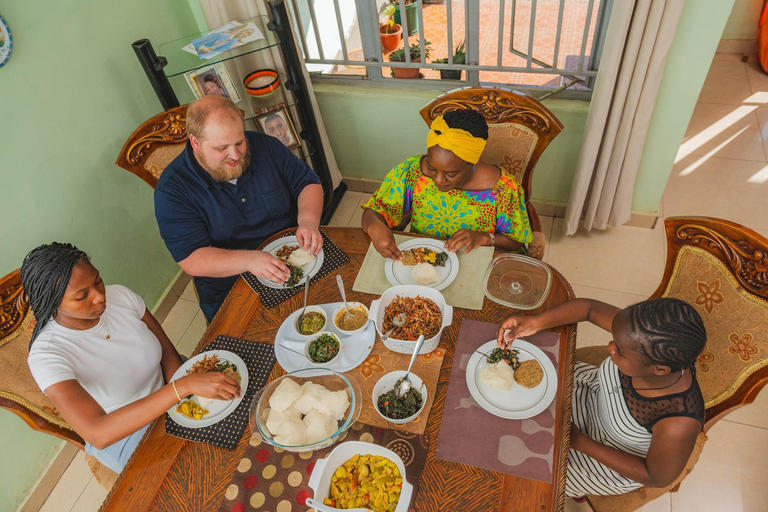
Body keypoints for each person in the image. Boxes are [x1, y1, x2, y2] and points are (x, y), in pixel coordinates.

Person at [23, 242, 241, 473]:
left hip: (172, 385)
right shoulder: (47, 355)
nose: (99, 297)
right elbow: (99, 433)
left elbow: (167, 352)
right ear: (52, 303)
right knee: (202, 474)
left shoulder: (119, 296)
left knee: (240, 417)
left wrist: (184, 395)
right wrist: (182, 388)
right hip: (127, 432)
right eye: (82, 296)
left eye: (97, 281)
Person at [497, 297, 706, 497]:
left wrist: (579, 442)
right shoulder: (640, 332)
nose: (610, 348)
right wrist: (536, 322)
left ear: (659, 370)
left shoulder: (679, 422)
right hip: (586, 392)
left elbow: (655, 476)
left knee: (510, 470)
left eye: (620, 352)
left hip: (599, 456)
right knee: (500, 404)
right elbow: (589, 308)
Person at [154, 96, 323, 321]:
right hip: (232, 283)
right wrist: (249, 260)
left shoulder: (265, 146)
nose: (235, 155)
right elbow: (191, 258)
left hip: (295, 256)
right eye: (222, 148)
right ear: (195, 143)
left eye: (239, 142)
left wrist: (308, 221)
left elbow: (307, 183)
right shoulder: (172, 190)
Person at [362, 108, 532, 259]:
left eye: (450, 174)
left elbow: (516, 242)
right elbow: (373, 211)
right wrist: (374, 226)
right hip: (424, 262)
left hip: (478, 266)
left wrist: (485, 237)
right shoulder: (412, 172)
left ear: (473, 163)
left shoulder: (502, 189)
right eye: (431, 168)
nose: (437, 180)